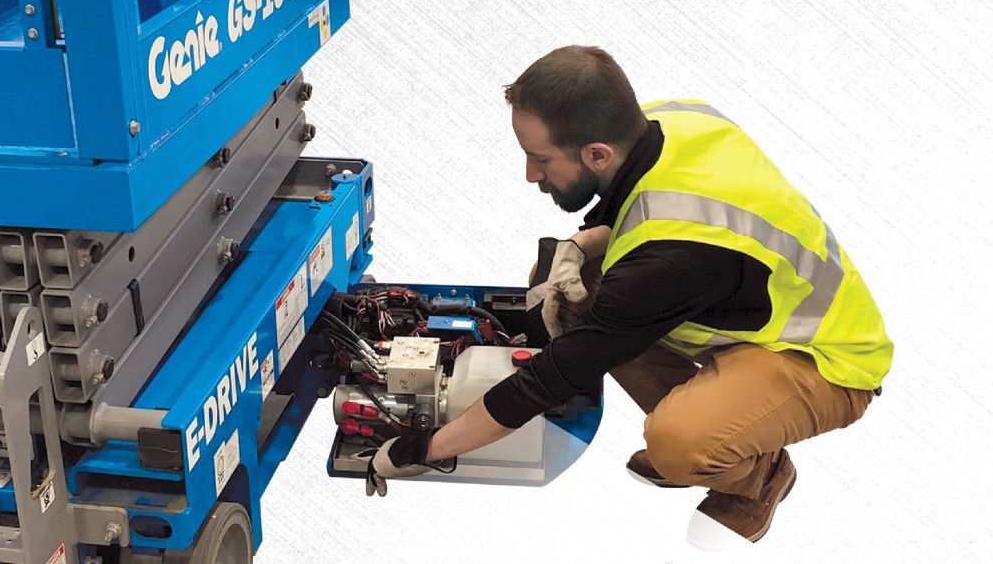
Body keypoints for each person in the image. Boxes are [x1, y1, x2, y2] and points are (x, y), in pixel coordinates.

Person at [362, 45, 893, 544]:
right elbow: (651, 205)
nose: (529, 175)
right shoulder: (670, 121)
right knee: (563, 286)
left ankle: (756, 472)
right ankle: (725, 419)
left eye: (541, 159)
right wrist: (580, 242)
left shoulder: (671, 263)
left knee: (678, 443)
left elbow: (548, 380)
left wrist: (428, 450)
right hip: (748, 301)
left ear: (597, 151)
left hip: (821, 357)